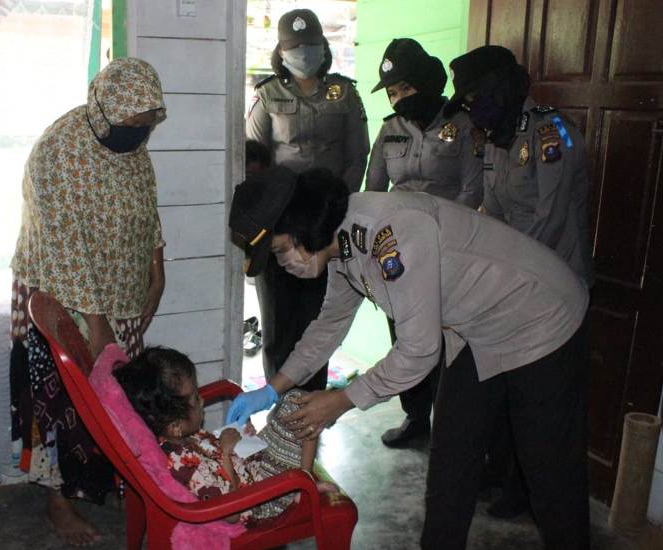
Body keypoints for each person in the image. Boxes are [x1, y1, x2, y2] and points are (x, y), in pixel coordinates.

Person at [226, 167, 590, 549]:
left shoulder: (393, 232)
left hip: (539, 317)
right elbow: (329, 324)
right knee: (452, 458)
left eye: (282, 250)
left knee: (550, 475)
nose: (283, 264)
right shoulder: (339, 246)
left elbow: (418, 350)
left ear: (304, 229)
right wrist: (273, 388)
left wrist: (341, 401)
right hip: (475, 331)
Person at [9, 58, 167, 546]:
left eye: (146, 125)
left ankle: (106, 478)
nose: (137, 135)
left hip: (118, 292)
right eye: (130, 125)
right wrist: (96, 325)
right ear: (103, 110)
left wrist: (156, 270)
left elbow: (145, 206)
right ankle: (60, 504)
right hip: (61, 297)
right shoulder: (57, 152)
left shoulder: (132, 146)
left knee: (116, 399)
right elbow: (64, 248)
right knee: (68, 405)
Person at [443, 45, 594, 519]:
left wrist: (498, 274)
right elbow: (492, 211)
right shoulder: (494, 138)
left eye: (473, 97)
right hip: (513, 288)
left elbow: (549, 220)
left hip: (555, 292)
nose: (470, 109)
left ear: (499, 90)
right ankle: (510, 479)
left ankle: (535, 490)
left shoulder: (552, 133)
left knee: (546, 408)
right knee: (506, 386)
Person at [365, 38, 484, 448]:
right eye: (393, 93)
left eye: (405, 89)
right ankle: (416, 417)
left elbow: (473, 191)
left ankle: (450, 424)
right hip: (397, 251)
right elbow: (374, 190)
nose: (399, 99)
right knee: (404, 337)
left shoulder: (464, 126)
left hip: (447, 249)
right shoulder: (389, 130)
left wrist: (440, 236)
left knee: (447, 340)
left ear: (426, 84)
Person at [246, 8, 370, 393]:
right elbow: (253, 162)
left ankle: (311, 408)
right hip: (280, 224)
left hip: (324, 224)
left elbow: (357, 155)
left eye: (310, 45)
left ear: (323, 47)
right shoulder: (267, 95)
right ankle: (278, 407)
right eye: (295, 46)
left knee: (317, 320)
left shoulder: (344, 93)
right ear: (282, 52)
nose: (303, 52)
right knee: (278, 325)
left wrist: (333, 207)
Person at [113, 346, 335, 524]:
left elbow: (213, 455)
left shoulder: (181, 436)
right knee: (304, 412)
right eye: (194, 399)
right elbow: (230, 514)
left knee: (296, 401)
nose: (201, 401)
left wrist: (240, 439)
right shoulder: (183, 468)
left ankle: (302, 478)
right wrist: (227, 455)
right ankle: (301, 489)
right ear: (174, 426)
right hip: (261, 499)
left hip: (255, 465)